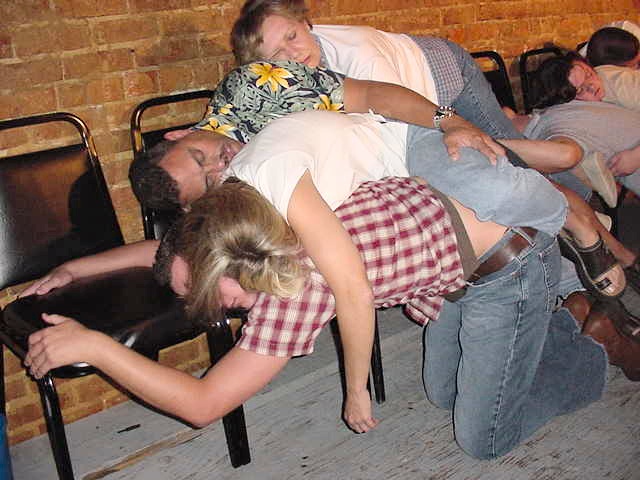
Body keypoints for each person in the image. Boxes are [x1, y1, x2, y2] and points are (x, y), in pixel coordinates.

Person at [24, 176, 620, 460]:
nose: (215, 305)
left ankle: (592, 350)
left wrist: (97, 347)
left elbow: (203, 404)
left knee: (482, 438)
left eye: (211, 290)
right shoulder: (256, 209)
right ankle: (550, 326)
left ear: (233, 261)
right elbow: (171, 248)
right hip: (456, 258)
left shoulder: (294, 287)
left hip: (508, 264)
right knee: (443, 393)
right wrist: (77, 267)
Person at [131, 60, 626, 302]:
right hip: (382, 191)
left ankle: (579, 220)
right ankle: (578, 290)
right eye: (208, 180)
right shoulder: (234, 198)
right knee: (493, 250)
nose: (217, 163)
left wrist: (448, 121)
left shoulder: (252, 92)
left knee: (494, 187)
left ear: (177, 133)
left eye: (198, 155)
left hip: (400, 137)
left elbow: (370, 93)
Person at [229, 0, 593, 195]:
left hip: (446, 72)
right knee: (488, 149)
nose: (292, 54)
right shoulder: (290, 82)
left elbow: (398, 126)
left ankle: (586, 197)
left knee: (503, 149)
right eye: (277, 54)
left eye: (292, 36)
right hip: (415, 93)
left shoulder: (358, 55)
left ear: (306, 24)